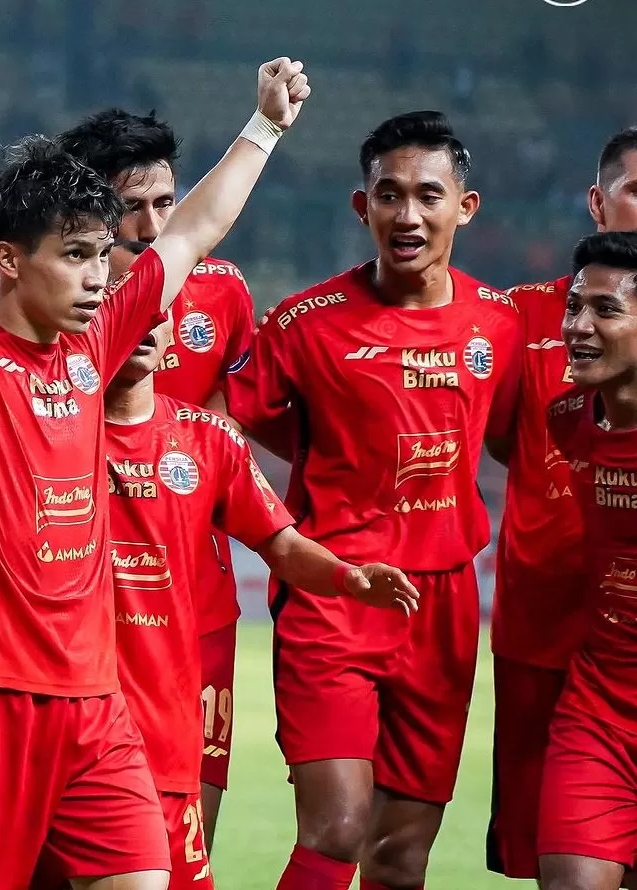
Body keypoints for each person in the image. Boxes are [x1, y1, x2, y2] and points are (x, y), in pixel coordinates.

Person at [0, 13, 309, 890]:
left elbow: (190, 234)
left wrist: (263, 128)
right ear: (10, 260)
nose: (102, 277)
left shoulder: (95, 344)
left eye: (104, 256)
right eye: (76, 257)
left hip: (97, 709)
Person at [216, 110, 522, 890]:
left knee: (401, 856)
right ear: (363, 208)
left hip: (443, 604)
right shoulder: (304, 324)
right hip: (334, 594)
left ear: (466, 206)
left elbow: (518, 435)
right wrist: (306, 495)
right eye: (389, 195)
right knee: (338, 830)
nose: (408, 215)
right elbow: (225, 428)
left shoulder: (501, 323)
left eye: (428, 195)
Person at [101, 258, 419, 890]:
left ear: (170, 334)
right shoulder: (45, 426)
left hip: (167, 723)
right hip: (67, 708)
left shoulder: (207, 439)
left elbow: (281, 542)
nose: (143, 325)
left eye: (155, 314)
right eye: (123, 308)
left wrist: (345, 578)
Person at [56, 110, 256, 849]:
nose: (148, 224)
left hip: (192, 599)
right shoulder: (54, 304)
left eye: (164, 204)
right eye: (128, 205)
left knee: (190, 827)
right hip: (82, 607)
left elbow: (218, 429)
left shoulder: (223, 293)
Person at [486, 126, 637, 883]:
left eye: (602, 312)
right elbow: (499, 438)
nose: (581, 327)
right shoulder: (529, 334)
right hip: (558, 650)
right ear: (597, 201)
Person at [539, 231, 637, 890]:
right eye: (575, 306)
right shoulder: (568, 416)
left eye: (605, 310)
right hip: (598, 714)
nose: (578, 326)